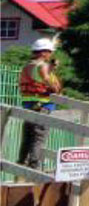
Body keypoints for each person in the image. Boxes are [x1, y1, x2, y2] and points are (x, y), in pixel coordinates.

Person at [18, 38, 63, 168]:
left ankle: (22, 161)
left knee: (28, 135)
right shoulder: (42, 66)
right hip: (42, 106)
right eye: (49, 52)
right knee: (38, 137)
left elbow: (36, 78)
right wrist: (55, 88)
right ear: (43, 52)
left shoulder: (27, 66)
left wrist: (51, 68)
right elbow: (47, 81)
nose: (50, 55)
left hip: (28, 106)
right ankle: (34, 165)